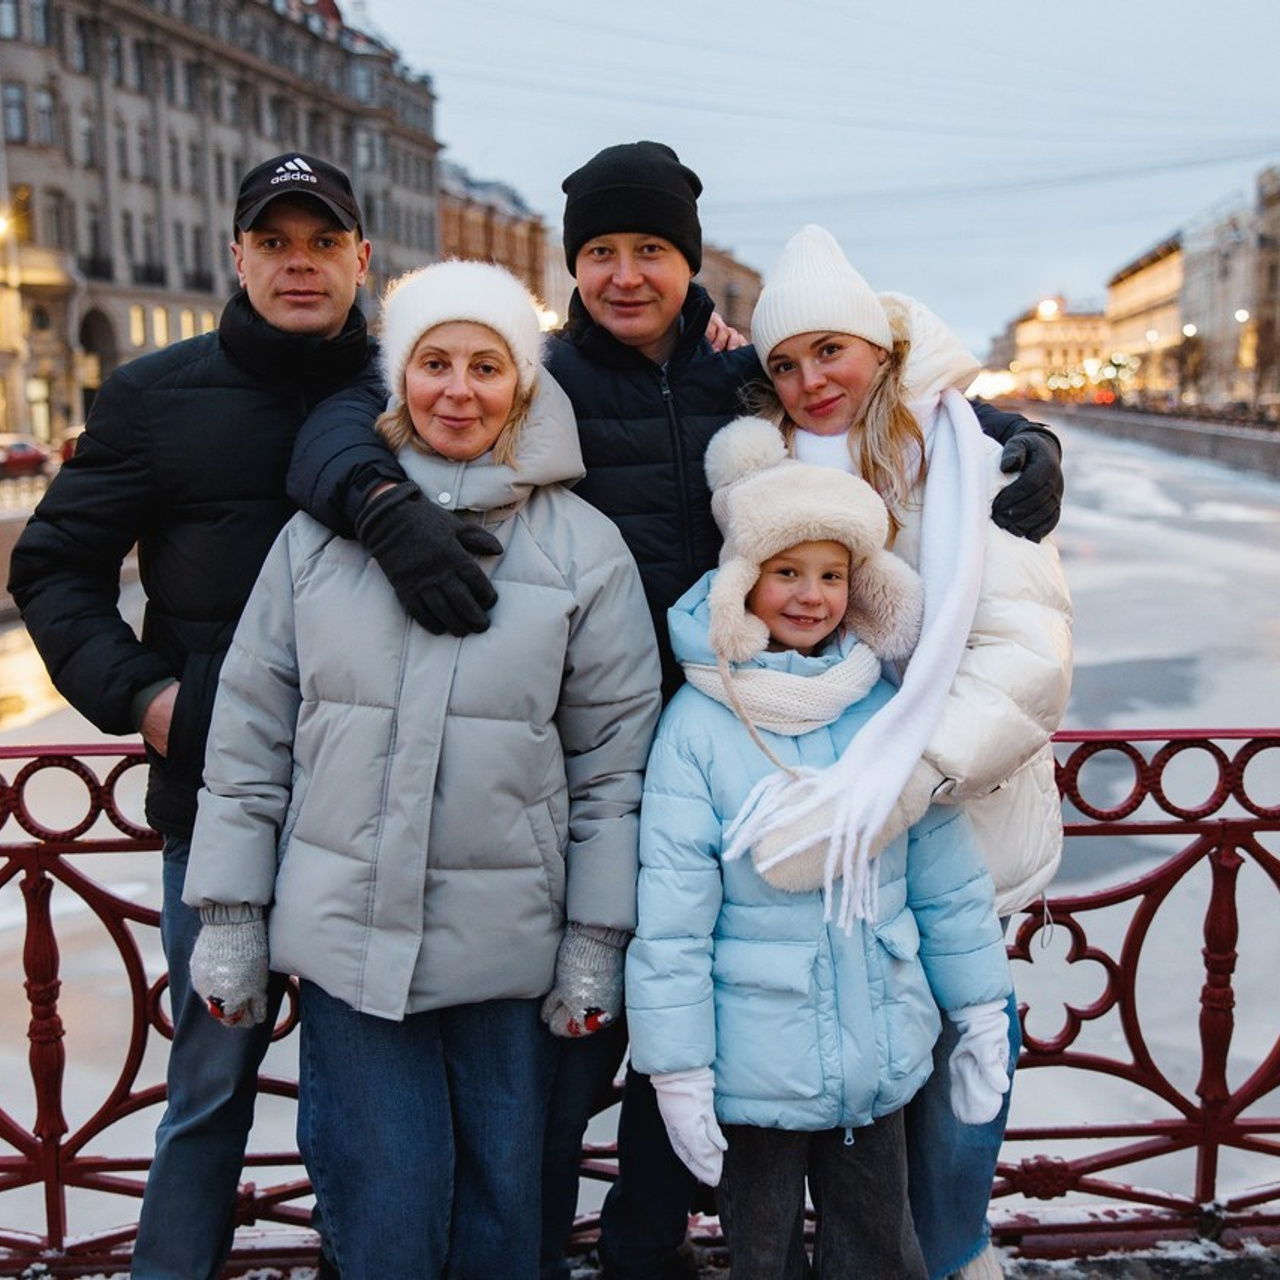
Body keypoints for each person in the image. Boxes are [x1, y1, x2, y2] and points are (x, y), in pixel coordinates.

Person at [282, 139, 1069, 1280]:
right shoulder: (536, 374)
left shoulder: (737, 375)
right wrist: (376, 500)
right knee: (574, 1059)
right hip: (584, 769)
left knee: (713, 1024)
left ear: (685, 259)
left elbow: (882, 401)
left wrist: (1009, 439)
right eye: (598, 250)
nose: (624, 274)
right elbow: (348, 421)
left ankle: (660, 1249)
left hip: (742, 747)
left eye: (648, 248)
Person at [179, 259, 662, 1279]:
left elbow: (611, 764)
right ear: (399, 381)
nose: (457, 388)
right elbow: (252, 735)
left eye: (485, 365)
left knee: (505, 1211)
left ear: (521, 387)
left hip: (511, 952)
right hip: (353, 946)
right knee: (379, 1206)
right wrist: (229, 911)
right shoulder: (317, 541)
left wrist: (593, 935)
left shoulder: (584, 550)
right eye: (433, 362)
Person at [3, 151, 411, 1279]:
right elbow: (52, 566)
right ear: (235, 256)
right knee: (209, 1089)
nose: (298, 264)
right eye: (273, 242)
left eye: (321, 242)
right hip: (219, 801)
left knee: (369, 1095)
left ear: (360, 258)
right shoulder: (153, 394)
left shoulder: (410, 383)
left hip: (376, 809)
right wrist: (146, 697)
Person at [720, 224, 1073, 1279]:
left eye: (826, 350)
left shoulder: (973, 457)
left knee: (963, 1069)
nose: (806, 379)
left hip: (953, 813)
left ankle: (957, 1252)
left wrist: (910, 779)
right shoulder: (782, 465)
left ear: (875, 346)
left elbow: (1026, 661)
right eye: (781, 363)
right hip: (840, 830)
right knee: (866, 1083)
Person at [626, 426, 1014, 1279]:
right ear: (744, 583)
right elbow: (674, 919)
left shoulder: (881, 710)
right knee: (763, 1258)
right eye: (787, 573)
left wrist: (981, 1006)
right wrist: (679, 1065)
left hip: (877, 1052)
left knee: (881, 1251)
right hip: (754, 1063)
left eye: (831, 575)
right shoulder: (700, 725)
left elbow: (944, 879)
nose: (811, 597)